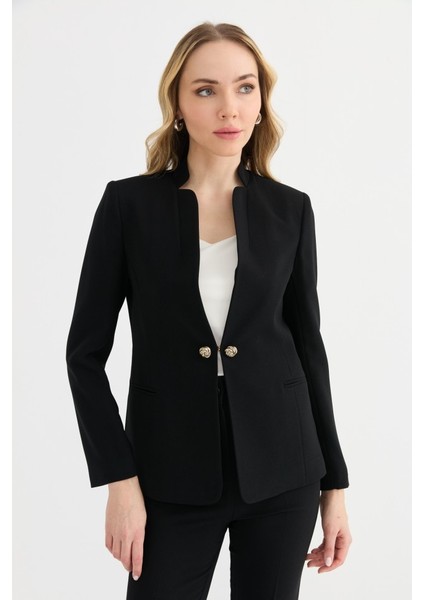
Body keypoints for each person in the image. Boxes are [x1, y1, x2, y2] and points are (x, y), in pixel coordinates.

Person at [66, 21, 352, 600]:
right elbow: (84, 355)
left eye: (245, 87)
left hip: (285, 469)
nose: (229, 108)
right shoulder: (128, 206)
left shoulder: (291, 211)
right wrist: (119, 479)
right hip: (167, 472)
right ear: (177, 103)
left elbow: (308, 349)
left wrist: (335, 487)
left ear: (262, 100)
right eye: (205, 90)